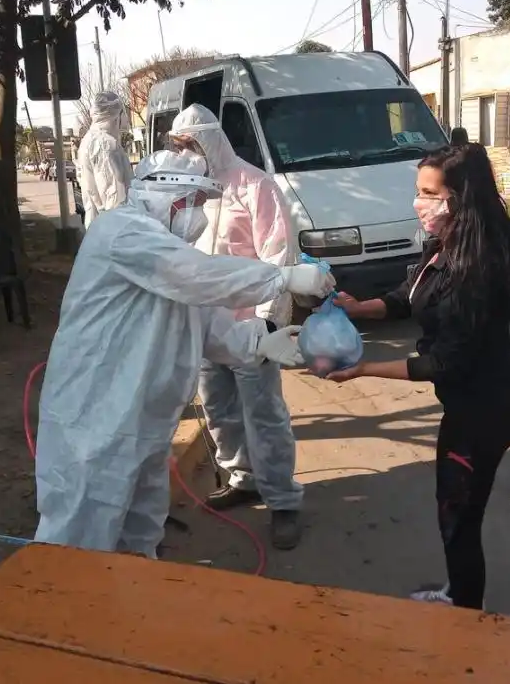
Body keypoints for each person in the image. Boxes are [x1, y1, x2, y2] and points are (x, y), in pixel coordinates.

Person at [33, 150, 336, 558]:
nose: (199, 216)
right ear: (167, 197)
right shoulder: (121, 232)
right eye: (193, 203)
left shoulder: (167, 253)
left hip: (145, 419)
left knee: (141, 530)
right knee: (80, 537)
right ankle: (66, 617)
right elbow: (199, 276)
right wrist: (281, 277)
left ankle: (135, 602)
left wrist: (258, 342)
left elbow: (207, 322)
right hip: (95, 418)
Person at [329, 143, 510, 610]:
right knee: (457, 511)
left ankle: (465, 611)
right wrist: (362, 307)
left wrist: (363, 369)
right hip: (472, 404)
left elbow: (443, 362)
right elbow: (410, 293)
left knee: (458, 518)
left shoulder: (478, 266)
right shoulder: (452, 241)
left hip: (483, 412)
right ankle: (462, 596)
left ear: (458, 196)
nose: (418, 202)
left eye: (427, 192)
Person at [167, 104, 305, 550]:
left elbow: (277, 254)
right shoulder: (189, 191)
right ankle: (242, 478)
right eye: (178, 146)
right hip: (205, 325)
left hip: (249, 326)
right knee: (219, 410)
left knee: (264, 414)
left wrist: (267, 324)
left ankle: (283, 499)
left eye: (191, 145)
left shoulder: (254, 186)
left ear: (211, 141)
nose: (186, 154)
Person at [76, 91, 133, 229]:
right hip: (113, 232)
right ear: (115, 116)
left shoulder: (89, 140)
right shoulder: (106, 145)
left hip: (99, 228)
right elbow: (113, 196)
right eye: (122, 112)